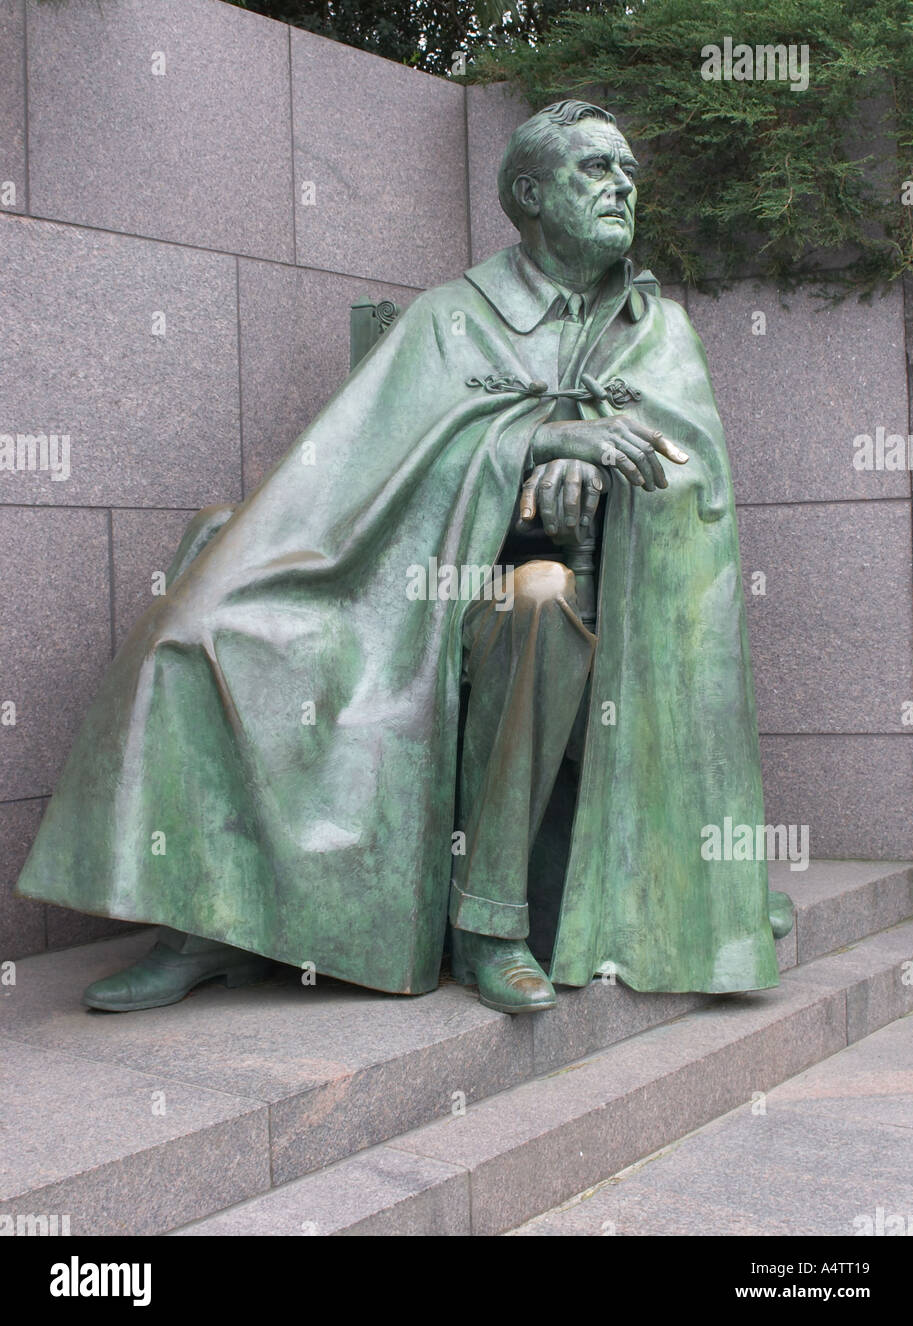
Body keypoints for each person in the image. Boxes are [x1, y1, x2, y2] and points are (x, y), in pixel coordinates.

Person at [16, 100, 792, 1016]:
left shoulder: (654, 332)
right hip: (406, 584)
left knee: (542, 598)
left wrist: (595, 465)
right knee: (200, 623)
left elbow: (689, 482)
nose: (622, 185)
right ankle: (204, 919)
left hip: (585, 616)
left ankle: (490, 922)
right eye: (595, 169)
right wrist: (534, 446)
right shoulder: (450, 318)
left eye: (627, 170)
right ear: (529, 195)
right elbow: (365, 468)